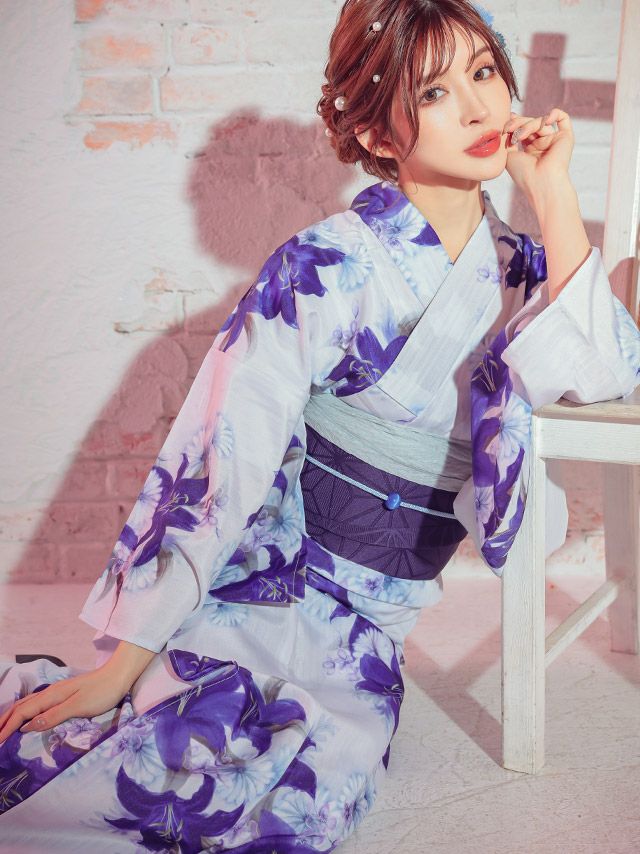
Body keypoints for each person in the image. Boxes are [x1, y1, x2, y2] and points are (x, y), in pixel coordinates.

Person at [1, 0, 638, 850]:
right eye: (435, 92)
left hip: (374, 624)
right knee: (172, 764)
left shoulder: (527, 270)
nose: (479, 108)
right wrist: (122, 663)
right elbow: (222, 454)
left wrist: (552, 188)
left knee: (311, 791)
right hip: (266, 576)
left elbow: (606, 376)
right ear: (376, 135)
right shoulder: (325, 264)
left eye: (484, 72)